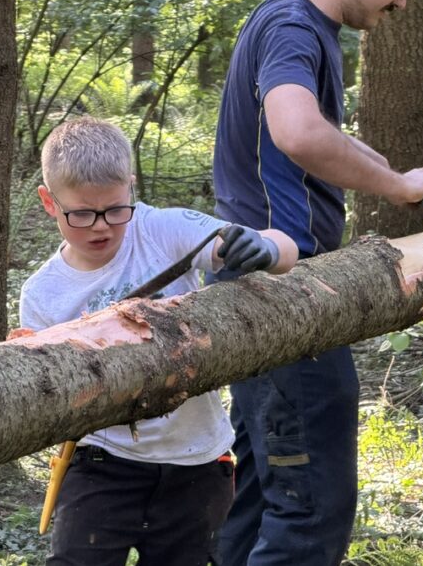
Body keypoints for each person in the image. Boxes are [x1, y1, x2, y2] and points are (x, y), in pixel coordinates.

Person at [210, 0, 423, 564]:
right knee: (312, 511)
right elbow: (297, 130)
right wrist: (395, 183)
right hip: (281, 289)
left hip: (261, 283)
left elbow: (320, 137)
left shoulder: (294, 25)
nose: (402, 3)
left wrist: (403, 173)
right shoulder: (294, 27)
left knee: (259, 497)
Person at [20, 116, 299, 566]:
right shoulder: (43, 294)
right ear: (49, 203)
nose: (101, 227)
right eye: (81, 214)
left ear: (131, 189)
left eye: (115, 209)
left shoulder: (161, 229)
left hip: (196, 462)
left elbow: (285, 248)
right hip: (101, 463)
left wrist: (266, 248)